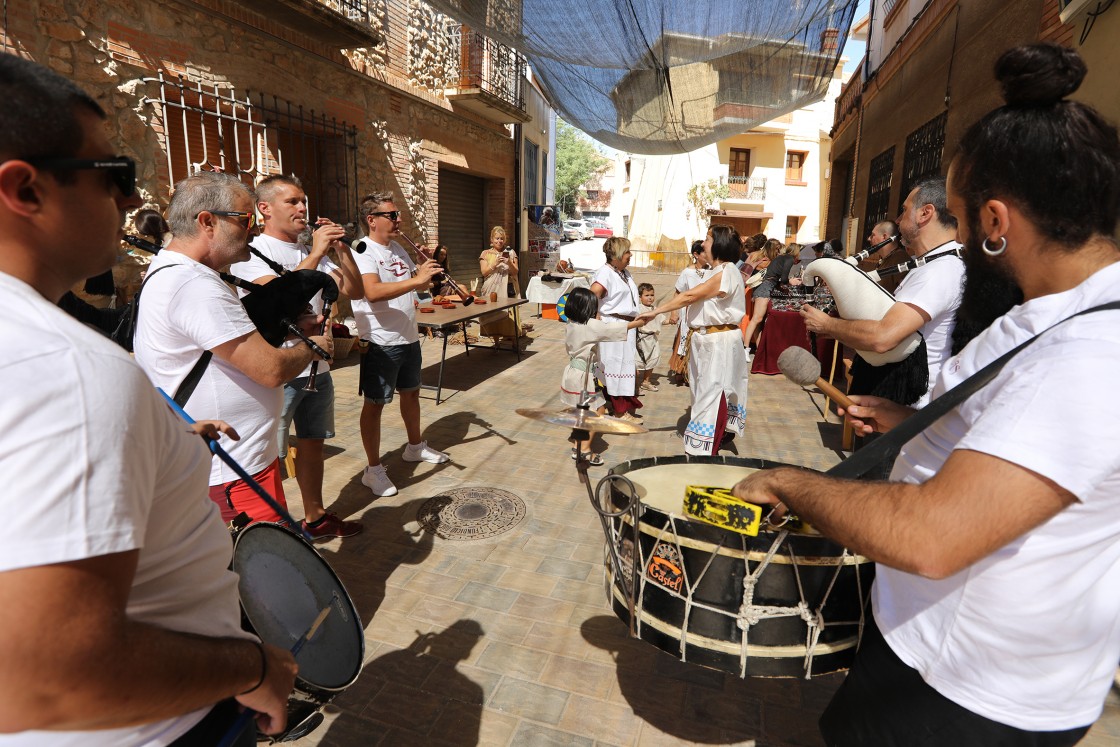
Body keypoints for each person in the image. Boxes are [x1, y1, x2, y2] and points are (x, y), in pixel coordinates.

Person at [732, 43, 1120, 746]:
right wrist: (911, 421)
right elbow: (1023, 442)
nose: (960, 238)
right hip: (941, 656)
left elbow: (930, 535)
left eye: (968, 221)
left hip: (968, 693)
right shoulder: (1069, 310)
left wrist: (790, 483)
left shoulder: (1091, 356)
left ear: (997, 224)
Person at [0, 53, 296, 744]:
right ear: (25, 190)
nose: (135, 202)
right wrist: (252, 664)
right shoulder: (68, 369)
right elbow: (47, 678)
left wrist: (165, 446)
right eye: (116, 177)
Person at [134, 172, 333, 526]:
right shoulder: (192, 282)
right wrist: (313, 348)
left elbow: (224, 348)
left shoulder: (183, 272)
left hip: (237, 465)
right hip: (230, 473)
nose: (254, 230)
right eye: (245, 220)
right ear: (207, 222)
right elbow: (269, 370)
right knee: (268, 576)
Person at [228, 174, 365, 540]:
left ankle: (314, 517)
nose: (303, 208)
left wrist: (342, 251)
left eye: (304, 200)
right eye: (292, 201)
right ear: (265, 208)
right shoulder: (253, 253)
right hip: (277, 370)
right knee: (268, 457)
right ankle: (275, 530)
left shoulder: (309, 254)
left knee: (312, 445)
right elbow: (275, 301)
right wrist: (317, 252)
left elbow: (355, 289)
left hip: (315, 367)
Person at [801, 177, 963, 407]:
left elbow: (882, 337)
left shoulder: (940, 270)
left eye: (904, 210)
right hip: (903, 405)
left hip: (911, 409)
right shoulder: (940, 265)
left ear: (925, 213)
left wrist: (828, 325)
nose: (898, 220)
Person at [351, 191, 449, 498]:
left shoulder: (397, 248)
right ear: (372, 220)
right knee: (375, 404)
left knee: (412, 393)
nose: (398, 220)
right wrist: (416, 281)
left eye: (397, 215)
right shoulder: (364, 250)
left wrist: (428, 274)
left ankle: (414, 446)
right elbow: (372, 291)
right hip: (381, 340)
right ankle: (373, 469)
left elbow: (415, 284)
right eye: (392, 215)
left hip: (407, 335)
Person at [639, 225, 746, 454]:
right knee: (704, 392)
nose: (704, 243)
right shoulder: (714, 270)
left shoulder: (726, 271)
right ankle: (707, 442)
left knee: (713, 394)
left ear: (718, 245)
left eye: (708, 239)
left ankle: (706, 448)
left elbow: (690, 296)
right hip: (707, 340)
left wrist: (655, 312)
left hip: (719, 341)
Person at [560, 287, 646, 465]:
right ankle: (584, 450)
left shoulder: (572, 323)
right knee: (597, 412)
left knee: (582, 413)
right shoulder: (590, 326)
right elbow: (611, 329)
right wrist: (637, 323)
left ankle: (578, 444)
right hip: (583, 378)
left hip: (573, 374)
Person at [590, 236, 643, 419]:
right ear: (617, 255)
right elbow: (592, 295)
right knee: (614, 368)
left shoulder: (624, 273)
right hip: (612, 327)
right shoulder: (605, 273)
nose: (630, 255)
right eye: (627, 252)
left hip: (626, 327)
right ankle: (619, 410)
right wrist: (595, 315)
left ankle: (615, 407)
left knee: (622, 368)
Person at [741, 239, 795, 354]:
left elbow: (743, 272)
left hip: (749, 288)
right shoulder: (771, 261)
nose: (778, 251)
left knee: (753, 319)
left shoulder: (754, 255)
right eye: (777, 249)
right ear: (774, 249)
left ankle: (755, 347)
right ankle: (747, 347)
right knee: (755, 320)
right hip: (759, 290)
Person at [667, 240, 708, 384]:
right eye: (703, 251)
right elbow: (678, 292)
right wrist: (673, 312)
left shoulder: (712, 271)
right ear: (696, 254)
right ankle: (681, 370)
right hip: (688, 312)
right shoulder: (687, 272)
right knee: (685, 341)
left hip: (705, 313)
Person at [478, 225, 521, 342]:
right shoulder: (485, 254)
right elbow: (484, 272)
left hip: (508, 288)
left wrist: (509, 263)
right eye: (497, 238)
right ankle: (496, 342)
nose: (499, 241)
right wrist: (495, 263)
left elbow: (515, 271)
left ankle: (514, 343)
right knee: (494, 315)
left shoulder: (510, 253)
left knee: (511, 317)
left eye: (501, 238)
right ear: (491, 240)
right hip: (491, 290)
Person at [861, 220, 909, 294]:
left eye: (873, 235)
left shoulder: (900, 259)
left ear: (884, 237)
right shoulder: (884, 258)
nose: (869, 239)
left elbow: (905, 293)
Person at [635, 282, 664, 392]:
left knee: (651, 361)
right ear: (640, 297)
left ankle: (646, 382)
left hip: (652, 339)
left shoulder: (655, 309)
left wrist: (670, 321)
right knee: (637, 362)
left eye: (652, 295)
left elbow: (661, 320)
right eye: (646, 295)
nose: (650, 298)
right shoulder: (638, 309)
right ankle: (634, 385)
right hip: (641, 340)